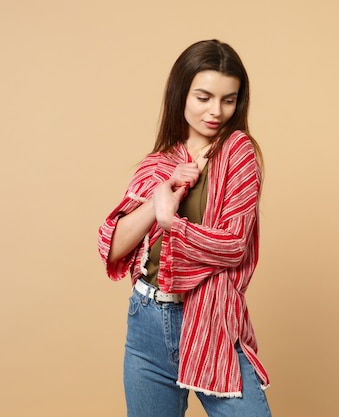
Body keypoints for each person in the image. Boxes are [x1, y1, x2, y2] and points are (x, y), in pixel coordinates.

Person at [97, 39, 272, 417]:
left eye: (229, 99)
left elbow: (233, 246)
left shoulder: (238, 153)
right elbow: (112, 247)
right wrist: (159, 198)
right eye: (204, 97)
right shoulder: (160, 161)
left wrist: (169, 222)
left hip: (209, 320)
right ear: (181, 94)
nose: (216, 111)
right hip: (146, 322)